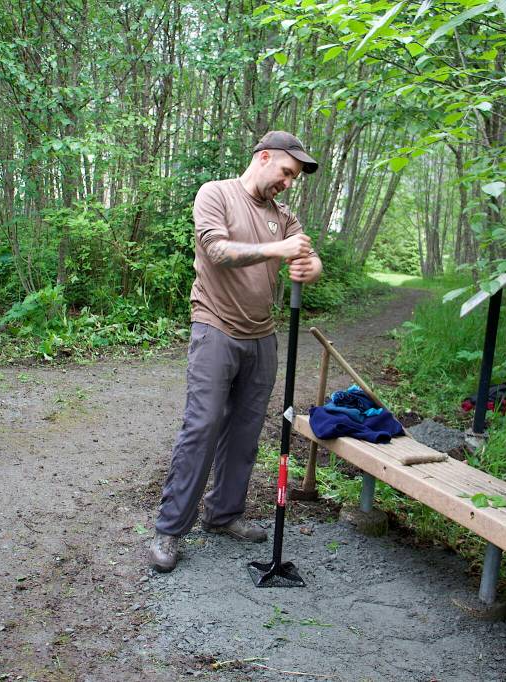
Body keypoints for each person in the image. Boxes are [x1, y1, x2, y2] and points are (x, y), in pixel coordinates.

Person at [150, 130, 323, 573]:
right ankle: (170, 529)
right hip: (215, 326)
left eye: (294, 177)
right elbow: (217, 249)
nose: (288, 182)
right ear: (264, 157)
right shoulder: (216, 194)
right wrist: (276, 249)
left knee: (246, 432)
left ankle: (223, 515)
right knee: (202, 425)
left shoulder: (283, 216)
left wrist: (309, 264)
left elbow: (308, 256)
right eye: (286, 172)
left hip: (262, 335)